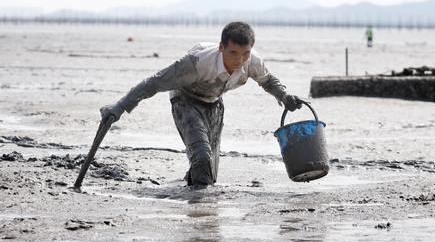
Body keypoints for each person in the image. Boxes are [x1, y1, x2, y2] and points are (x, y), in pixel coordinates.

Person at [100, 21, 303, 187]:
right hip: (185, 100)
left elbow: (268, 81)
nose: (240, 60)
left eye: (245, 53)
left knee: (209, 173)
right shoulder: (197, 63)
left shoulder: (253, 61)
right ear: (222, 47)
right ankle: (200, 213)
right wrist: (119, 107)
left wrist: (284, 96)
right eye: (233, 53)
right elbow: (154, 82)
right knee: (202, 156)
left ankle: (189, 190)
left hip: (214, 103)